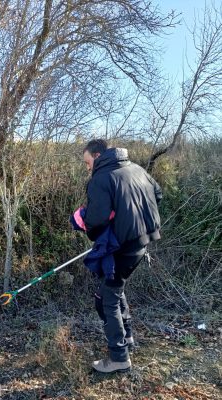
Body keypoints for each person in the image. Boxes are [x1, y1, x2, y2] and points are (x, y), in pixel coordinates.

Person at [82, 139, 162, 373]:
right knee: (114, 291)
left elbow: (95, 221)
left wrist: (86, 225)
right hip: (142, 242)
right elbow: (158, 195)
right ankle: (126, 339)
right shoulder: (137, 169)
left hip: (123, 247)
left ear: (97, 156)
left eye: (87, 162)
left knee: (106, 299)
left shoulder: (100, 179)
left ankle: (119, 358)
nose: (87, 168)